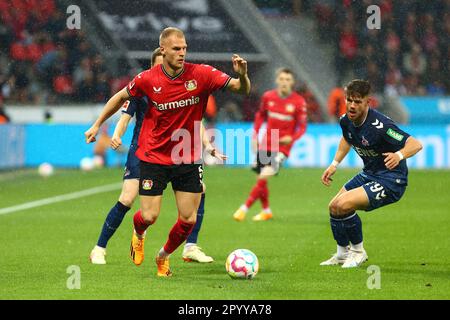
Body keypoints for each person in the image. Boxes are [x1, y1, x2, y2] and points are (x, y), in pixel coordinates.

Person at [85, 27, 250, 277]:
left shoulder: (202, 74)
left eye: (184, 48)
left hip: (187, 156)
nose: (182, 53)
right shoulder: (147, 79)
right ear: (163, 50)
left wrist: (244, 76)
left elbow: (241, 88)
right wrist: (97, 124)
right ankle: (138, 233)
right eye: (176, 49)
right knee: (149, 216)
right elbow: (120, 98)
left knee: (188, 219)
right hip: (155, 157)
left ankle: (163, 256)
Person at [320, 79, 422, 268]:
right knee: (334, 207)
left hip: (391, 180)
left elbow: (415, 144)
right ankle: (342, 254)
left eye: (357, 102)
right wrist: (334, 164)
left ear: (368, 102)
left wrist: (398, 155)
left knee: (344, 205)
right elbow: (347, 139)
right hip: (370, 173)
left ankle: (358, 251)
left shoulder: (381, 126)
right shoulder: (345, 120)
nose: (352, 105)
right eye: (349, 100)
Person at [233, 68, 307, 222]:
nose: (284, 82)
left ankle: (243, 208)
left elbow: (303, 127)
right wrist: (255, 134)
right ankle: (266, 210)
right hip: (267, 142)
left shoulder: (298, 102)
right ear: (277, 80)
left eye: (288, 79)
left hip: (282, 148)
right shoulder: (268, 97)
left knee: (264, 174)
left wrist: (292, 138)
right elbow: (260, 115)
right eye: (282, 79)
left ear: (292, 82)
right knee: (262, 178)